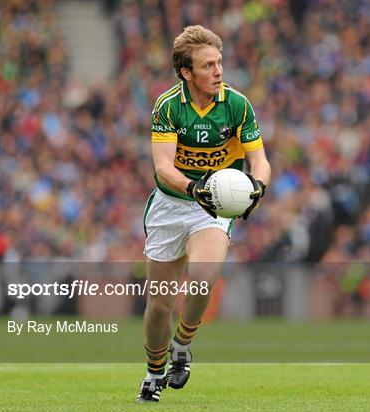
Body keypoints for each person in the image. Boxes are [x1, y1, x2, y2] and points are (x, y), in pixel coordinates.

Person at [137, 25, 271, 403]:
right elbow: (163, 167)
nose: (218, 71)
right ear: (186, 73)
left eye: (220, 63)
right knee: (159, 305)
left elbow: (260, 160)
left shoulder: (237, 105)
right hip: (169, 206)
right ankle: (153, 371)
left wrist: (257, 186)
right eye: (208, 65)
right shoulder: (168, 106)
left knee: (202, 277)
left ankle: (183, 345)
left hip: (212, 209)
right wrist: (194, 187)